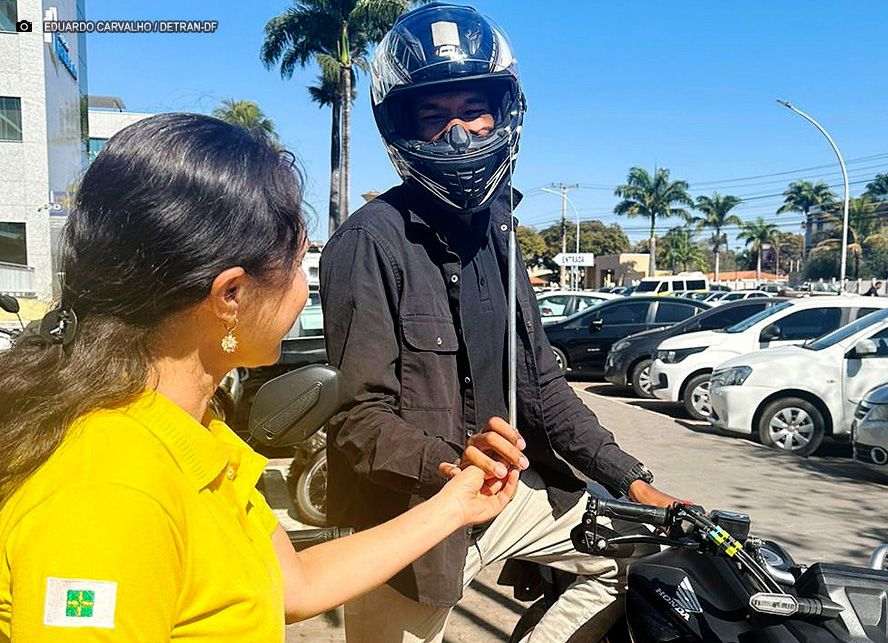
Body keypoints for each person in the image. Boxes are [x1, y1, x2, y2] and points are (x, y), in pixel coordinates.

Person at [0, 113, 518, 641]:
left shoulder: (189, 433)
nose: (304, 286)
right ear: (231, 296)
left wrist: (455, 505)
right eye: (297, 261)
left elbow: (295, 585)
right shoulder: (110, 491)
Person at [320, 5, 681, 642]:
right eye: (433, 116)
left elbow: (542, 385)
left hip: (503, 499)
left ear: (504, 112)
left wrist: (631, 480)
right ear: (401, 128)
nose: (457, 134)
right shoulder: (368, 243)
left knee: (633, 553)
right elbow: (358, 421)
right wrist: (453, 463)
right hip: (410, 519)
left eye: (472, 110)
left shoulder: (501, 239)